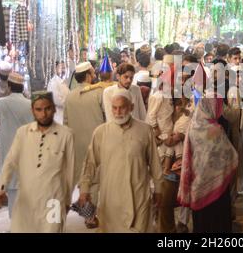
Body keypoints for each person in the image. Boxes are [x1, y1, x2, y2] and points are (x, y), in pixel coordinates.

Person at [78, 89, 162, 232]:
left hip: (139, 196)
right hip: (111, 198)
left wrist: (159, 190)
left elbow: (155, 164)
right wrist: (84, 189)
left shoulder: (145, 130)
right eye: (114, 108)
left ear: (131, 107)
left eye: (122, 107)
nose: (118, 112)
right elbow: (90, 163)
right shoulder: (101, 132)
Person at [0, 91, 75, 232]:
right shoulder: (23, 133)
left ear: (54, 109)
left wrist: (67, 200)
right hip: (26, 200)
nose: (43, 114)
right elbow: (10, 161)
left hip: (54, 201)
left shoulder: (66, 134)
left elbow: (70, 170)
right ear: (32, 110)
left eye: (48, 108)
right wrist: (2, 188)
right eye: (38, 109)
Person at [178, 97, 238, 233]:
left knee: (201, 223)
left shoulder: (193, 125)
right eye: (218, 107)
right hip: (217, 186)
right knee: (217, 223)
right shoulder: (215, 129)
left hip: (197, 184)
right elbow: (231, 156)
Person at [0, 72, 33, 217]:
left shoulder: (2, 103)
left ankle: (16, 223)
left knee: (11, 187)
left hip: (9, 151)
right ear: (22, 87)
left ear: (9, 86)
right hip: (27, 150)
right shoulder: (29, 104)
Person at [63, 62, 105, 186]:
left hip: (78, 145)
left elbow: (65, 123)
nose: (94, 75)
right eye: (92, 73)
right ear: (88, 76)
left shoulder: (69, 96)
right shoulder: (99, 92)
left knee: (83, 181)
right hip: (97, 143)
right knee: (98, 181)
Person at [158, 97, 192, 233]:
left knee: (185, 192)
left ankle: (182, 223)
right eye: (176, 104)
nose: (178, 107)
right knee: (165, 201)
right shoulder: (168, 115)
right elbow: (166, 140)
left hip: (183, 160)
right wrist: (167, 138)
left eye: (181, 104)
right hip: (170, 163)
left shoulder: (187, 116)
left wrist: (180, 137)